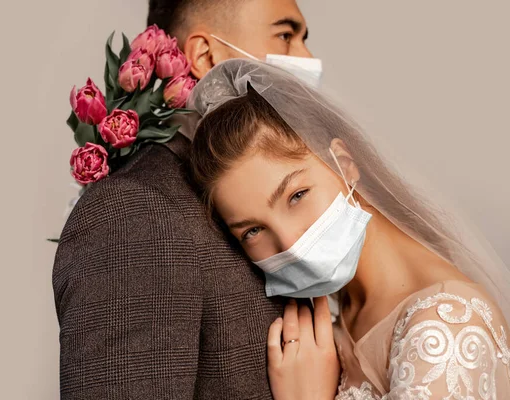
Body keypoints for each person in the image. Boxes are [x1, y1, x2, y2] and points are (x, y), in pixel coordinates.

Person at [188, 59, 510, 399]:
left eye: (297, 195)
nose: (290, 243)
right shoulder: (338, 314)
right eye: (252, 231)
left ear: (344, 163)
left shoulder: (445, 325)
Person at [53, 1, 316, 398]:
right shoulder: (133, 216)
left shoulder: (278, 196)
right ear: (206, 55)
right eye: (285, 35)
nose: (309, 59)